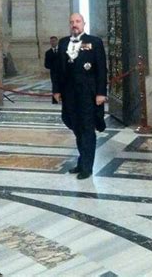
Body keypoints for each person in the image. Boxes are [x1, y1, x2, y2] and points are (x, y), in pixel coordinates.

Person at [52, 13, 107, 180]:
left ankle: (87, 167)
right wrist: (56, 90)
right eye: (72, 22)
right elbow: (57, 69)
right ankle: (81, 161)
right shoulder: (63, 43)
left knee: (87, 129)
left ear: (84, 23)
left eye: (77, 21)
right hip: (69, 93)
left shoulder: (94, 42)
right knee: (75, 126)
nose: (74, 24)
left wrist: (101, 93)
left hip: (88, 94)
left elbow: (102, 69)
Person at [44, 36, 59, 104]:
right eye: (52, 41)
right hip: (54, 73)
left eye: (54, 41)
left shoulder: (62, 51)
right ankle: (55, 100)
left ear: (57, 41)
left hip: (63, 72)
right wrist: (53, 66)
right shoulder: (48, 52)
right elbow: (46, 64)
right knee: (55, 87)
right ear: (50, 42)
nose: (53, 42)